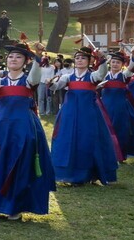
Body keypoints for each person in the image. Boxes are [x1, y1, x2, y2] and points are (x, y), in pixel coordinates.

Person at [0, 42, 56, 220]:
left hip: (23, 127)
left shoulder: (28, 80)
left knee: (20, 163)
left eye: (18, 57)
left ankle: (16, 205)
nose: (13, 59)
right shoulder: (0, 81)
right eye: (10, 56)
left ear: (25, 61)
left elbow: (35, 76)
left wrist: (37, 57)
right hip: (0, 127)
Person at [50, 45, 120, 185]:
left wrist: (102, 59)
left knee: (88, 141)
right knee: (67, 140)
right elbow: (56, 86)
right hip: (69, 113)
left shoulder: (92, 76)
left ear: (89, 61)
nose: (79, 60)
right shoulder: (67, 76)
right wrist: (51, 83)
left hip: (88, 114)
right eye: (77, 58)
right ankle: (66, 174)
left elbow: (102, 73)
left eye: (83, 58)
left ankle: (90, 174)